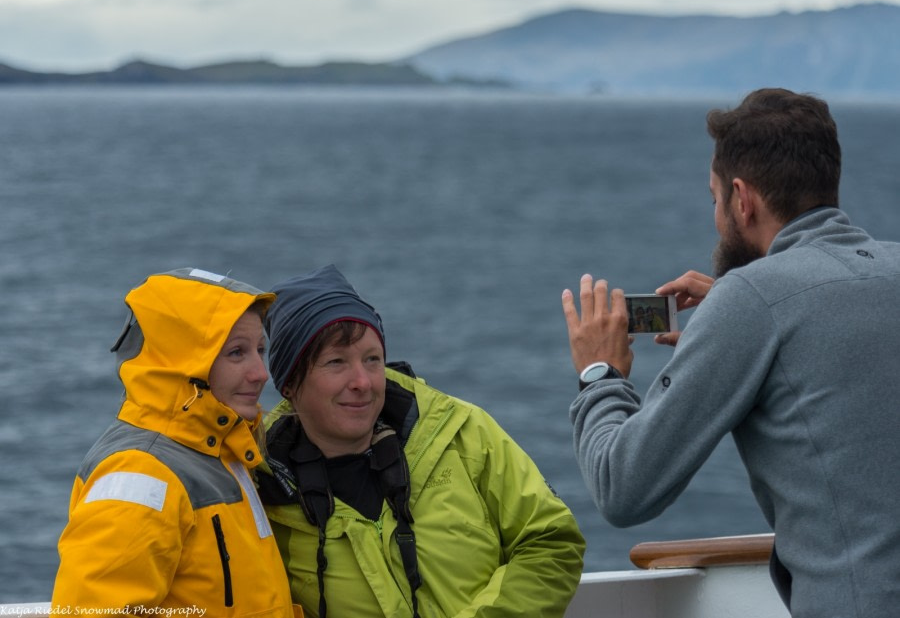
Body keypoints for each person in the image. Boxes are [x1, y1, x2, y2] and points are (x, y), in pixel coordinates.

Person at [561, 88, 900, 618]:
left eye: (713, 197)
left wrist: (599, 373)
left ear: (742, 199)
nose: (716, 214)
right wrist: (754, 312)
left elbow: (623, 487)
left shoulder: (751, 300)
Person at [257, 264, 585, 618]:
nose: (363, 382)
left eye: (372, 359)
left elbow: (551, 541)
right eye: (336, 362)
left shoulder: (460, 431)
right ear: (289, 384)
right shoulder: (263, 488)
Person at [51, 268, 300, 617]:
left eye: (260, 349)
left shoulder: (220, 450)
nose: (261, 373)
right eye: (236, 353)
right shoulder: (142, 473)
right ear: (183, 363)